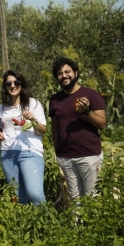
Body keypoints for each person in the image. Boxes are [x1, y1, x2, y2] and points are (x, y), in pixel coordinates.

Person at [49, 57, 106, 200]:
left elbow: (102, 124)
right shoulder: (55, 100)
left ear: (76, 72)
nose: (64, 75)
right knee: (74, 199)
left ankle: (92, 223)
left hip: (88, 155)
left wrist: (87, 112)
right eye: (60, 73)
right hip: (66, 157)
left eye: (67, 71)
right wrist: (58, 151)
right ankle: (76, 223)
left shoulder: (91, 95)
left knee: (92, 198)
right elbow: (55, 127)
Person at [0, 70, 47, 205]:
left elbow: (42, 131)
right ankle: (21, 225)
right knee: (17, 198)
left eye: (16, 82)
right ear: (5, 87)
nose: (13, 86)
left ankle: (45, 225)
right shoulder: (2, 107)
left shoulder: (33, 103)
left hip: (29, 152)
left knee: (35, 194)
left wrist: (33, 120)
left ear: (21, 84)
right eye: (8, 83)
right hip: (7, 153)